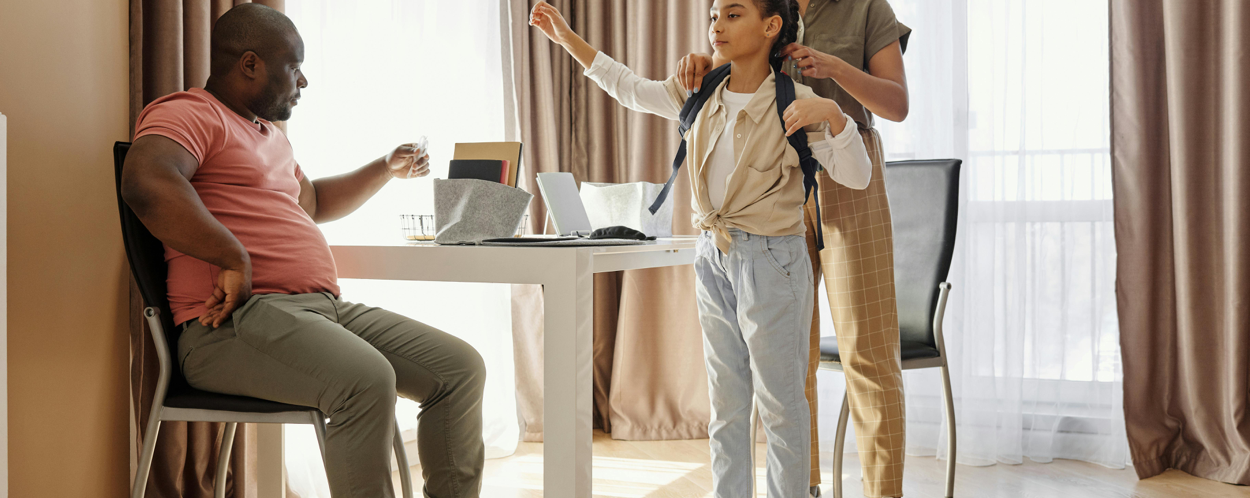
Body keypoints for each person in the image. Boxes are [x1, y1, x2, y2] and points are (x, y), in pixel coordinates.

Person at [121, 4, 485, 497]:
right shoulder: (189, 112)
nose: (303, 82)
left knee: (458, 369)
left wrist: (384, 168)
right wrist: (232, 256)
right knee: (366, 379)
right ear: (250, 64)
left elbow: (311, 202)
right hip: (229, 326)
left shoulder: (269, 136)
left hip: (320, 313)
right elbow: (146, 180)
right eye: (294, 66)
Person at [529, 1, 873, 496]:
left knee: (780, 406)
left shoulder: (795, 102)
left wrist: (836, 115)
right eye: (714, 14)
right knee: (727, 405)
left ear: (771, 26)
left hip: (774, 263)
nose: (716, 24)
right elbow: (629, 88)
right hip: (712, 256)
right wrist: (566, 39)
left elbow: (857, 176)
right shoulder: (699, 91)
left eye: (733, 14)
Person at [676, 1, 912, 497]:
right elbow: (742, 73)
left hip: (848, 180)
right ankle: (800, 490)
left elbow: (896, 105)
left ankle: (884, 492)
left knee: (868, 357)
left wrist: (834, 69)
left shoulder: (866, 8)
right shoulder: (767, 5)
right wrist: (703, 60)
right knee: (788, 364)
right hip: (775, 191)